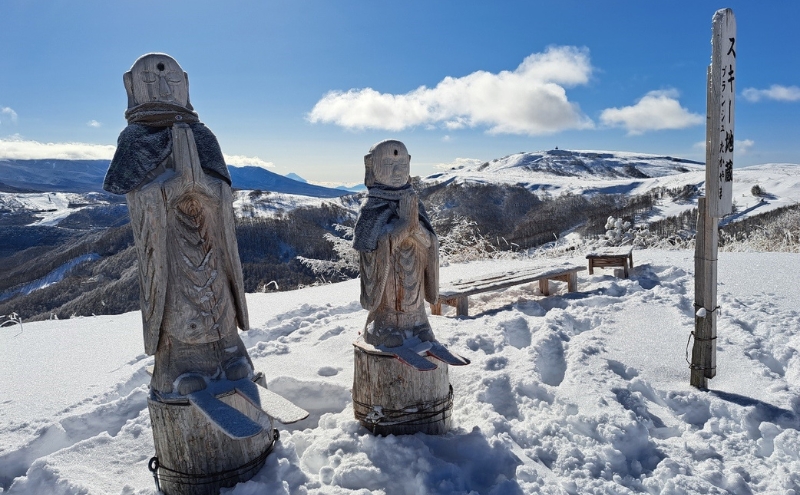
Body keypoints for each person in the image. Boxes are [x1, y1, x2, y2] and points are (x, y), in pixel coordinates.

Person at [103, 53, 252, 396]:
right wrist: (169, 190)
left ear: (185, 84)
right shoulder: (135, 139)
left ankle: (230, 352)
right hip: (169, 247)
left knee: (219, 295)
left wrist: (207, 190)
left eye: (172, 83)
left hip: (210, 239)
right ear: (131, 86)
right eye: (150, 82)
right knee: (178, 305)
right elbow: (138, 197)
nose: (163, 89)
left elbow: (224, 192)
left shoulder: (202, 136)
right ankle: (180, 362)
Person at [353, 140, 439, 348]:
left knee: (415, 304)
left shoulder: (412, 201)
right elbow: (371, 249)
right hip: (388, 284)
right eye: (389, 165)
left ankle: (419, 325)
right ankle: (383, 328)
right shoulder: (373, 206)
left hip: (415, 277)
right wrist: (402, 227)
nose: (397, 172)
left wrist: (415, 227)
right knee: (388, 304)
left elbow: (431, 243)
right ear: (371, 165)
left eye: (402, 165)